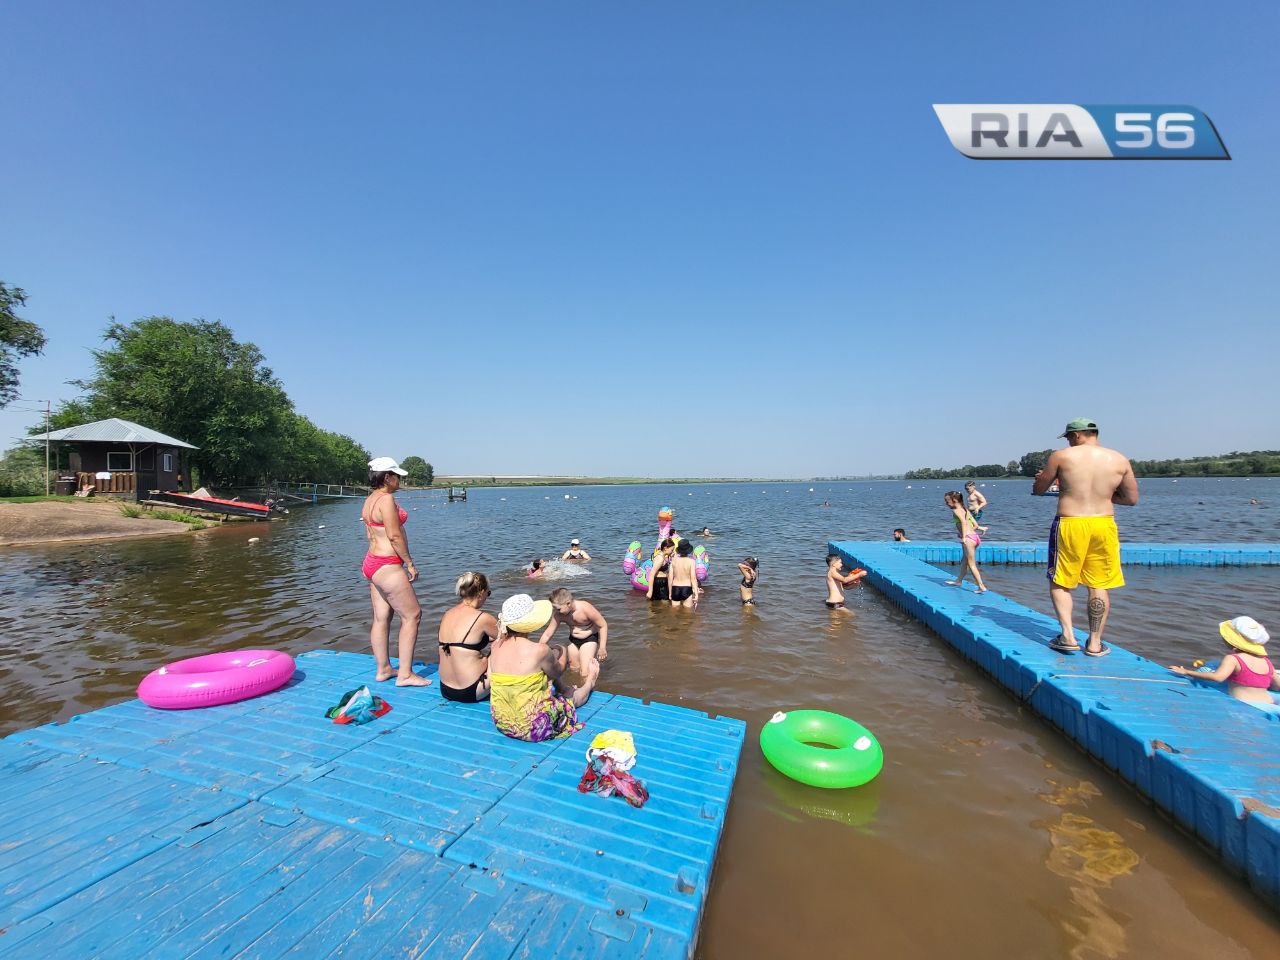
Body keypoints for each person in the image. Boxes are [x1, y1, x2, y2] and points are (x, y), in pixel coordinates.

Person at [1034, 418, 1139, 658]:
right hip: (1104, 523)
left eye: (1070, 437)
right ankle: (1094, 643)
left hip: (1070, 523)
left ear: (1079, 434)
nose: (1069, 442)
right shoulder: (1120, 459)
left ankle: (1068, 637)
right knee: (1099, 584)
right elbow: (1131, 499)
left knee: (1060, 581)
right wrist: (1102, 497)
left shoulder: (1061, 457)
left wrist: (1042, 479)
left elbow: (1040, 489)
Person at [489, 594, 597, 741]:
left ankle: (562, 688)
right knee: (570, 698)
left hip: (503, 723)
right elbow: (557, 671)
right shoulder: (539, 650)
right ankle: (590, 681)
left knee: (542, 668)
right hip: (535, 728)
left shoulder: (495, 646)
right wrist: (562, 652)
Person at [360, 457, 430, 686]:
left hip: (372, 562)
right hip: (387, 564)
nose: (400, 480)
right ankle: (406, 674)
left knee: (381, 617)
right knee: (412, 615)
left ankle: (383, 669)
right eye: (397, 475)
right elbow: (394, 535)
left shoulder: (370, 499)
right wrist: (409, 563)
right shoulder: (387, 499)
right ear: (387, 477)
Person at [1169, 616, 1278, 713]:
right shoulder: (1266, 662)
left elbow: (1218, 677)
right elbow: (1278, 686)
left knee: (1208, 670)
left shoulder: (1233, 659)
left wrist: (1187, 671)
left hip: (1246, 705)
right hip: (1269, 704)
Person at [436, 572, 498, 703]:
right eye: (488, 593)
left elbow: (462, 642)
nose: (487, 597)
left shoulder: (447, 614)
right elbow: (506, 637)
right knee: (501, 645)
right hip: (471, 691)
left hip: (445, 689)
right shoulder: (483, 618)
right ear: (481, 593)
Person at [541, 587, 608, 669]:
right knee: (574, 669)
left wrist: (602, 648)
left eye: (558, 609)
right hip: (573, 640)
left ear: (568, 603)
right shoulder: (559, 615)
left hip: (589, 639)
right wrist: (538, 647)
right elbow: (548, 634)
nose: (556, 611)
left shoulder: (585, 608)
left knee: (585, 671)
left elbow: (603, 625)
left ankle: (592, 678)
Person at [943, 491, 988, 593]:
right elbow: (975, 525)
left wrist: (963, 536)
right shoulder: (965, 509)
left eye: (947, 501)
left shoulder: (956, 511)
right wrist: (981, 528)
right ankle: (959, 581)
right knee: (964, 561)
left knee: (971, 564)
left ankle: (981, 586)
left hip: (968, 539)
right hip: (975, 537)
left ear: (954, 500)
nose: (946, 503)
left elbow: (963, 522)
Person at [669, 540, 701, 608]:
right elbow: (693, 578)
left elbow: (670, 578)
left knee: (674, 612)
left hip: (675, 588)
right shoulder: (691, 562)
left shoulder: (673, 561)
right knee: (687, 614)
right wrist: (696, 594)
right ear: (688, 550)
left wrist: (670, 592)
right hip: (686, 588)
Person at [647, 538, 675, 602]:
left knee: (662, 604)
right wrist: (650, 591)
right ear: (665, 548)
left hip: (662, 582)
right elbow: (652, 574)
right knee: (664, 603)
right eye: (671, 550)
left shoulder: (662, 556)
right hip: (660, 583)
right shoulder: (660, 559)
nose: (672, 551)